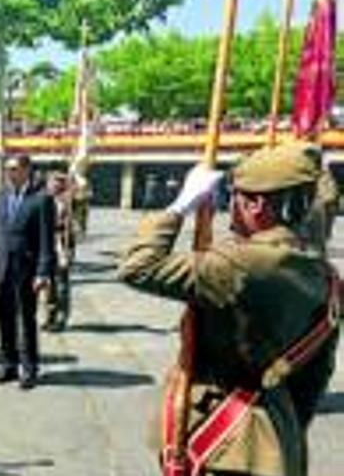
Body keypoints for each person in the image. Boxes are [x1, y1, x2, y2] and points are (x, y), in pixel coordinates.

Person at [118, 143, 340, 476]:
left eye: (234, 197)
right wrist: (283, 428)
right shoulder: (324, 274)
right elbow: (315, 376)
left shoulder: (242, 263)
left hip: (223, 442)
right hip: (277, 440)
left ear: (255, 204)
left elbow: (138, 266)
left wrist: (180, 205)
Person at [0, 154, 56, 390]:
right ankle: (9, 364)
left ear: (26, 170)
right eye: (7, 169)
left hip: (27, 270)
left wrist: (43, 272)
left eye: (14, 169)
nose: (9, 173)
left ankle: (30, 368)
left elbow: (46, 239)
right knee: (4, 318)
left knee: (26, 320)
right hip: (1, 268)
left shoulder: (41, 199)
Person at [41, 171, 74, 332]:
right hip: (46, 245)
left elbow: (69, 229)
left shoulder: (68, 201)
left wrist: (68, 251)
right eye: (55, 181)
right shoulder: (43, 199)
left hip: (60, 245)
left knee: (61, 283)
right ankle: (49, 315)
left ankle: (61, 317)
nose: (57, 184)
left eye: (61, 181)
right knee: (48, 284)